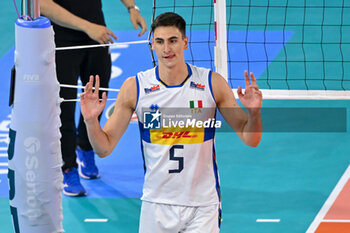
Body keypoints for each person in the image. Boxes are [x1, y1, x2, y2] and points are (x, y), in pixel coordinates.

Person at [81, 12, 262, 233]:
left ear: (185, 43)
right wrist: (91, 121)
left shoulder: (212, 84)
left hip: (203, 205)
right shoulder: (135, 88)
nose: (166, 49)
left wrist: (253, 115)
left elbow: (250, 138)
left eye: (173, 41)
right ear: (152, 46)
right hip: (156, 204)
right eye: (160, 42)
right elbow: (104, 148)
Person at [40, 0, 147, 197]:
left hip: (96, 36)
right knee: (64, 108)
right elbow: (42, 5)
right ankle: (68, 167)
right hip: (62, 41)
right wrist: (87, 27)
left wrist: (132, 8)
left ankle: (86, 147)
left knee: (97, 99)